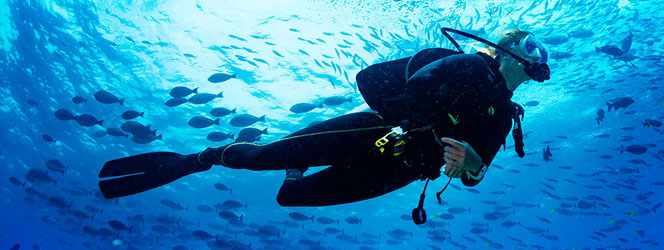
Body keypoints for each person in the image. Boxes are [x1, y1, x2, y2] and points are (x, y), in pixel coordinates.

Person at [98, 27, 550, 223]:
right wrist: (414, 121)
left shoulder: (505, 117)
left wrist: (470, 165)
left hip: (403, 170)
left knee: (292, 195)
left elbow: (475, 175)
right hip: (371, 131)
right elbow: (373, 81)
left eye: (542, 52)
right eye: (532, 45)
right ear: (507, 49)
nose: (539, 56)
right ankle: (203, 158)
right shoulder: (466, 65)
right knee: (260, 159)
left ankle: (293, 171)